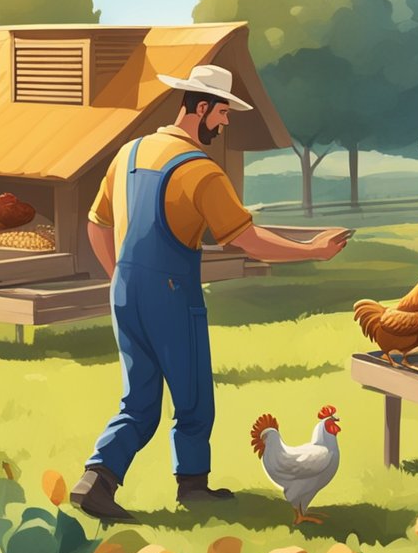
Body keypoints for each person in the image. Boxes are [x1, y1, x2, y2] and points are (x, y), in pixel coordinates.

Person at [71, 64, 347, 522]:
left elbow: (97, 223)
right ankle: (193, 487)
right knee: (193, 395)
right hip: (172, 294)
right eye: (221, 114)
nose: (224, 124)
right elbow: (247, 239)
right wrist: (312, 251)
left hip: (124, 291)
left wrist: (118, 277)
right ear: (200, 108)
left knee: (138, 400)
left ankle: (95, 480)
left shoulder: (128, 153)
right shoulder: (200, 170)